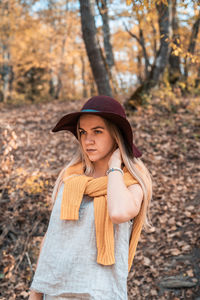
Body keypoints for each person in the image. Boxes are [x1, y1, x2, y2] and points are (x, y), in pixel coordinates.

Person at [29, 95, 152, 300]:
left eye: (98, 131)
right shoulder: (70, 179)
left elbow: (119, 212)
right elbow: (52, 239)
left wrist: (115, 166)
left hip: (101, 293)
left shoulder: (132, 183)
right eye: (82, 132)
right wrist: (35, 293)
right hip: (56, 291)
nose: (88, 140)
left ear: (116, 135)